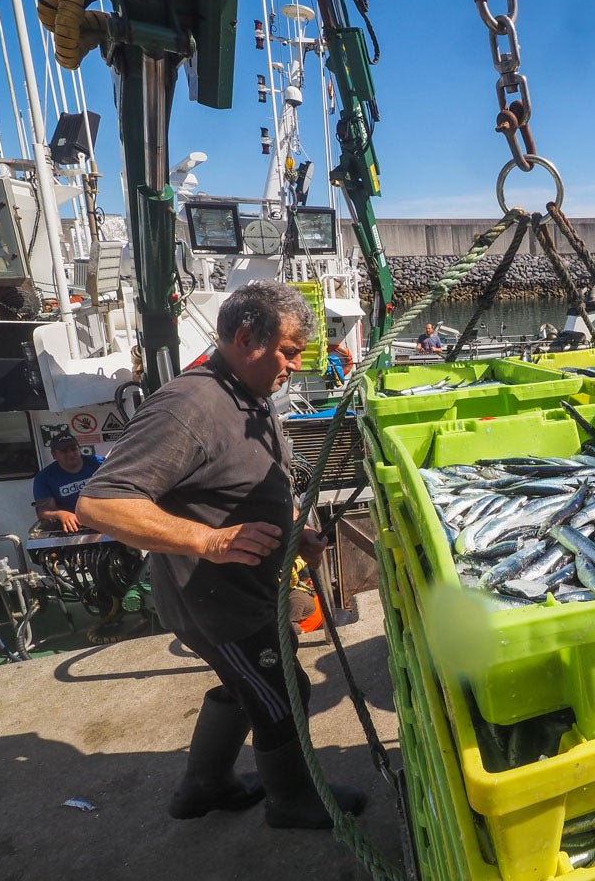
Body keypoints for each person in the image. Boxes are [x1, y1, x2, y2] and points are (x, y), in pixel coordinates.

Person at [77, 282, 364, 830]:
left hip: (246, 591)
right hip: (218, 606)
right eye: (289, 351)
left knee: (245, 686)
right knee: (284, 695)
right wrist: (209, 541)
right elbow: (100, 502)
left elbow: (237, 480)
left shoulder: (247, 391)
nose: (297, 366)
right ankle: (292, 801)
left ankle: (204, 787)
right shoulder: (189, 406)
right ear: (245, 338)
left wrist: (291, 533)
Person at [32, 432, 103, 533]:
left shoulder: (99, 463)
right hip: (72, 527)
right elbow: (44, 510)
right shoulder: (44, 477)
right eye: (64, 451)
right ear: (54, 455)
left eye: (73, 449)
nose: (70, 454)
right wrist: (62, 514)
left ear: (79, 449)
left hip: (103, 519)